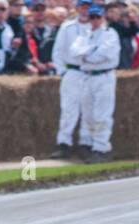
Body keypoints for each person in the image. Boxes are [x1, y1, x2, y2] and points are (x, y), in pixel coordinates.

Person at [71, 3, 119, 161]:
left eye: (97, 17)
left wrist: (86, 54)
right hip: (86, 76)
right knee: (88, 114)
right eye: (92, 17)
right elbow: (74, 52)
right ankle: (89, 143)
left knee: (102, 114)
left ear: (103, 17)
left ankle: (102, 147)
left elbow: (105, 54)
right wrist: (91, 51)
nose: (94, 20)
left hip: (103, 76)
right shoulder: (83, 35)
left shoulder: (110, 34)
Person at [50, 0, 91, 157]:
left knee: (88, 109)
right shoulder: (67, 27)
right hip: (72, 72)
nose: (85, 10)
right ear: (77, 8)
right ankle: (64, 143)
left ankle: (85, 143)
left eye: (87, 7)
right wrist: (63, 71)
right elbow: (58, 51)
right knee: (68, 109)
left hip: (89, 72)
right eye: (82, 7)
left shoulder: (97, 27)